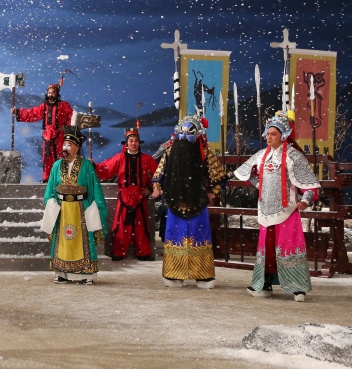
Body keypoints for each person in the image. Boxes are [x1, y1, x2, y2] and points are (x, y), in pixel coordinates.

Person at [233, 110, 319, 302]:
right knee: (268, 248)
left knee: (289, 246)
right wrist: (260, 184)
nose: (268, 137)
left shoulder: (294, 156)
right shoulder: (261, 155)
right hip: (265, 211)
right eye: (267, 133)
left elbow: (309, 184)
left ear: (283, 135)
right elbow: (245, 173)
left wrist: (305, 200)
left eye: (273, 134)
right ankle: (264, 283)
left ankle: (298, 287)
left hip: (288, 210)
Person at [151, 115, 226, 289]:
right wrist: (157, 188)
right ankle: (174, 274)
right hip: (174, 203)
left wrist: (212, 193)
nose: (185, 136)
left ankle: (202, 275)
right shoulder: (170, 151)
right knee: (175, 238)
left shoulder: (204, 153)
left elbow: (219, 176)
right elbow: (159, 175)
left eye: (189, 132)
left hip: (197, 204)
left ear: (198, 134)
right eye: (182, 132)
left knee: (199, 238)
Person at [41, 125, 108, 284]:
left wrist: (98, 207)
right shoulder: (57, 165)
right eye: (64, 144)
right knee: (63, 240)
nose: (65, 147)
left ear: (77, 148)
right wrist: (50, 202)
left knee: (83, 240)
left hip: (81, 208)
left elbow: (95, 188)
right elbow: (50, 188)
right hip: (63, 209)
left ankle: (86, 274)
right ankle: (61, 272)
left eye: (69, 144)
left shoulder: (86, 165)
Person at [94, 127, 159, 261]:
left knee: (141, 226)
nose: (133, 143)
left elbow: (157, 176)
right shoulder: (119, 158)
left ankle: (144, 253)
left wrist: (150, 188)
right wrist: (93, 166)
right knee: (121, 226)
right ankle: (119, 252)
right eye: (131, 141)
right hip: (124, 196)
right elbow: (105, 169)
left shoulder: (147, 159)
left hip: (140, 196)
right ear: (126, 143)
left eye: (136, 141)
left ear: (139, 143)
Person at [13, 83, 73, 182]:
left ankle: (61, 179)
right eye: (49, 93)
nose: (50, 95)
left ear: (57, 94)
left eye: (53, 93)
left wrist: (66, 127)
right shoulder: (44, 107)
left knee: (60, 157)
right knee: (47, 158)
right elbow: (32, 113)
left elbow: (72, 116)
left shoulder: (63, 105)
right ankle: (47, 178)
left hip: (60, 135)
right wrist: (18, 112)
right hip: (47, 135)